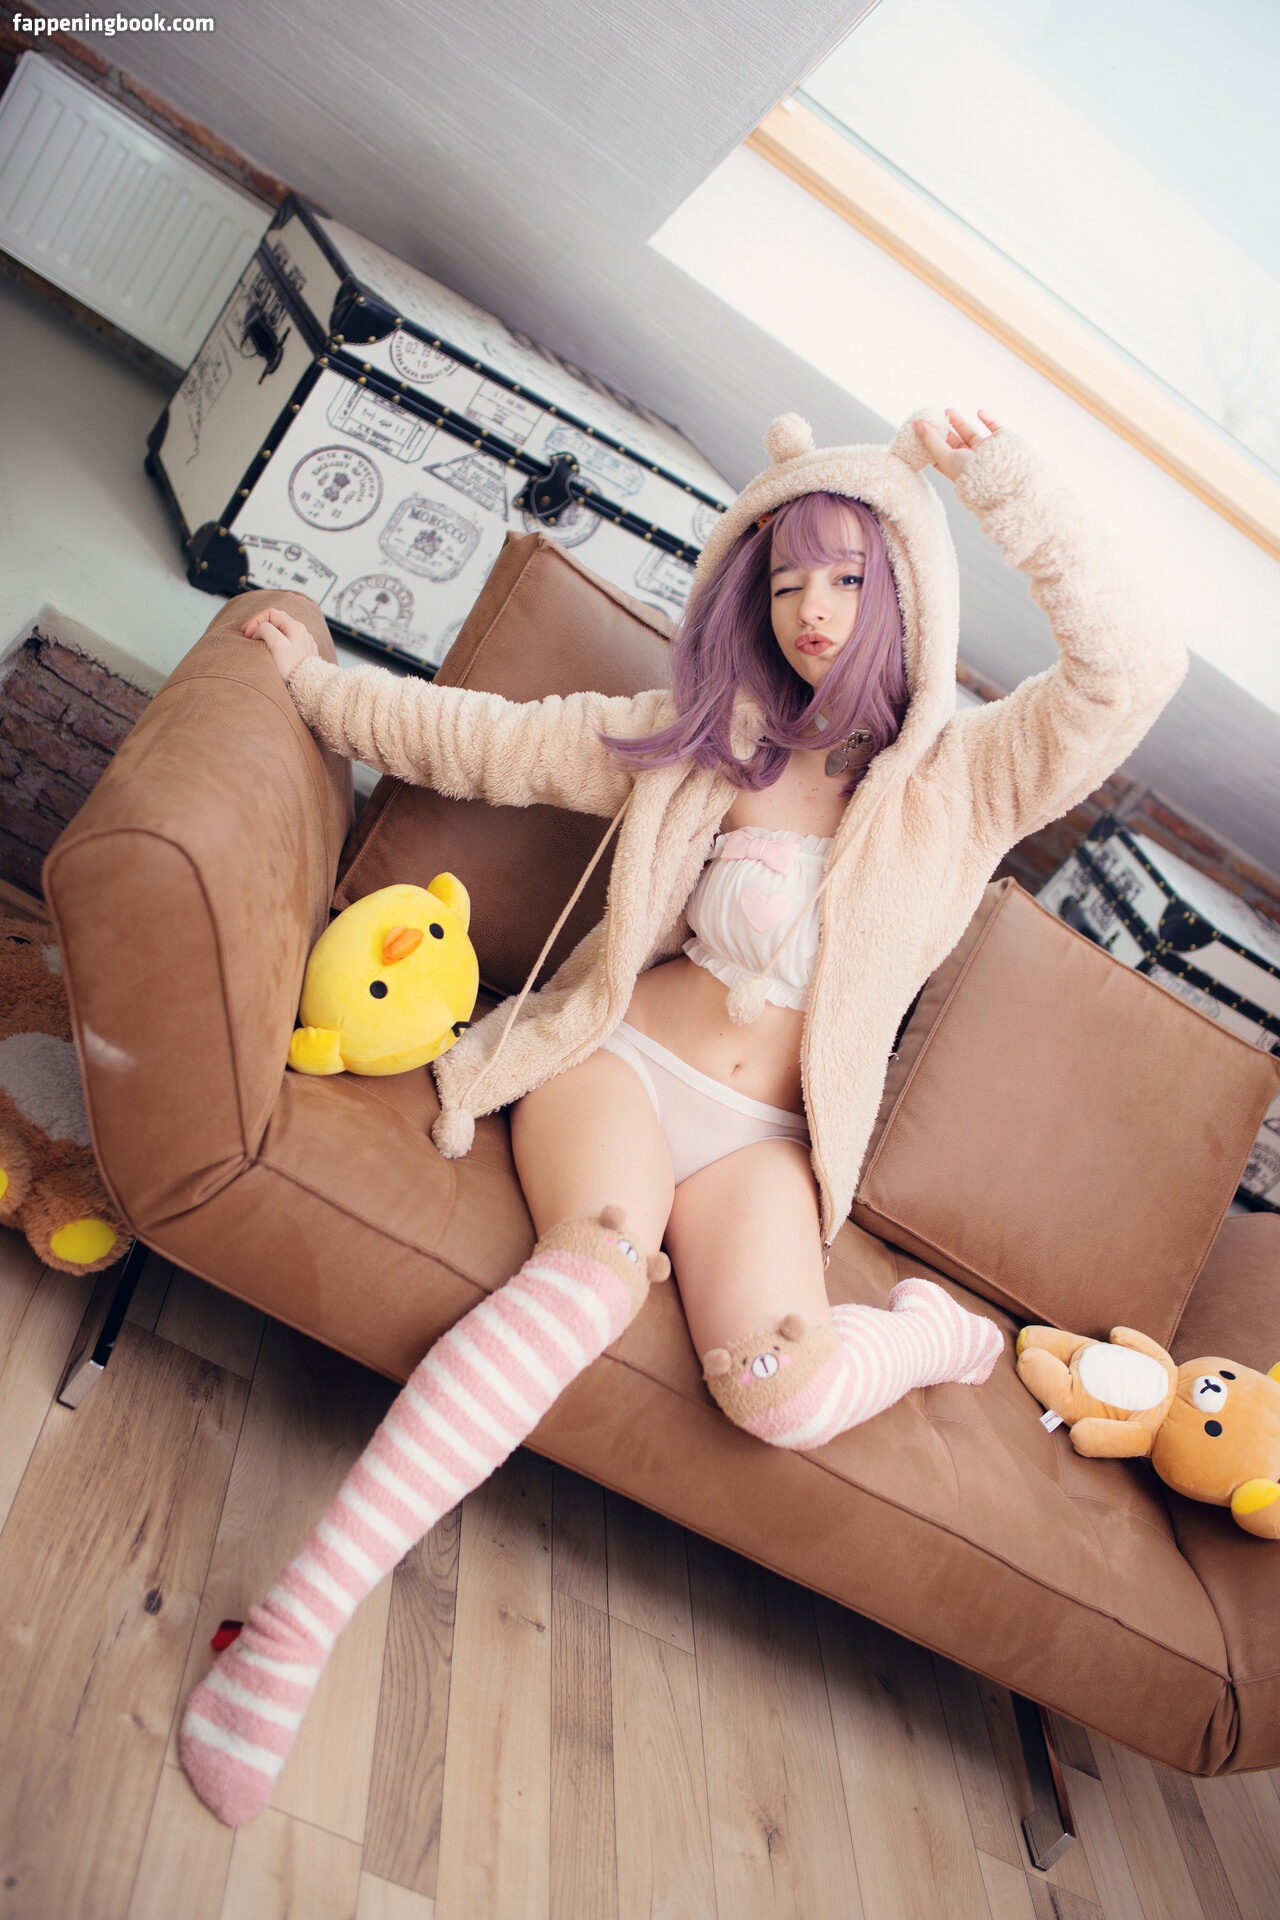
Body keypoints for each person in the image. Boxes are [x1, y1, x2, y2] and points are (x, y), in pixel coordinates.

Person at [178, 407, 1186, 1824]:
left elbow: (1135, 672)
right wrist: (322, 690)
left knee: (783, 1394)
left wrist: (1004, 480)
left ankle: (921, 1339)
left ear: (909, 588)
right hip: (622, 1068)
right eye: (787, 582)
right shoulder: (716, 739)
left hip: (766, 1150)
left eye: (849, 578)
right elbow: (497, 743)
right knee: (589, 1272)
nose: (814, 611)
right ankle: (294, 1631)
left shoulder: (970, 784)